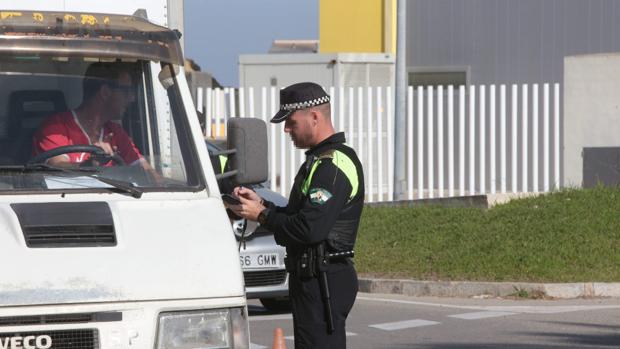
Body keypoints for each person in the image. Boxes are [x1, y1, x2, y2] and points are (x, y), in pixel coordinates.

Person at [229, 82, 365, 348]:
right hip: (312, 277)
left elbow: (309, 229)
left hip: (324, 279)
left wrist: (264, 216)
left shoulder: (332, 166)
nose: (286, 130)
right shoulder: (318, 161)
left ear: (314, 117)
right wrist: (263, 206)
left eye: (291, 122)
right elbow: (297, 216)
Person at [32, 62, 150, 169]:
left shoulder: (116, 132)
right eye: (126, 91)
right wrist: (91, 164)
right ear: (105, 92)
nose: (132, 98)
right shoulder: (56, 128)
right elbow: (58, 167)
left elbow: (145, 170)